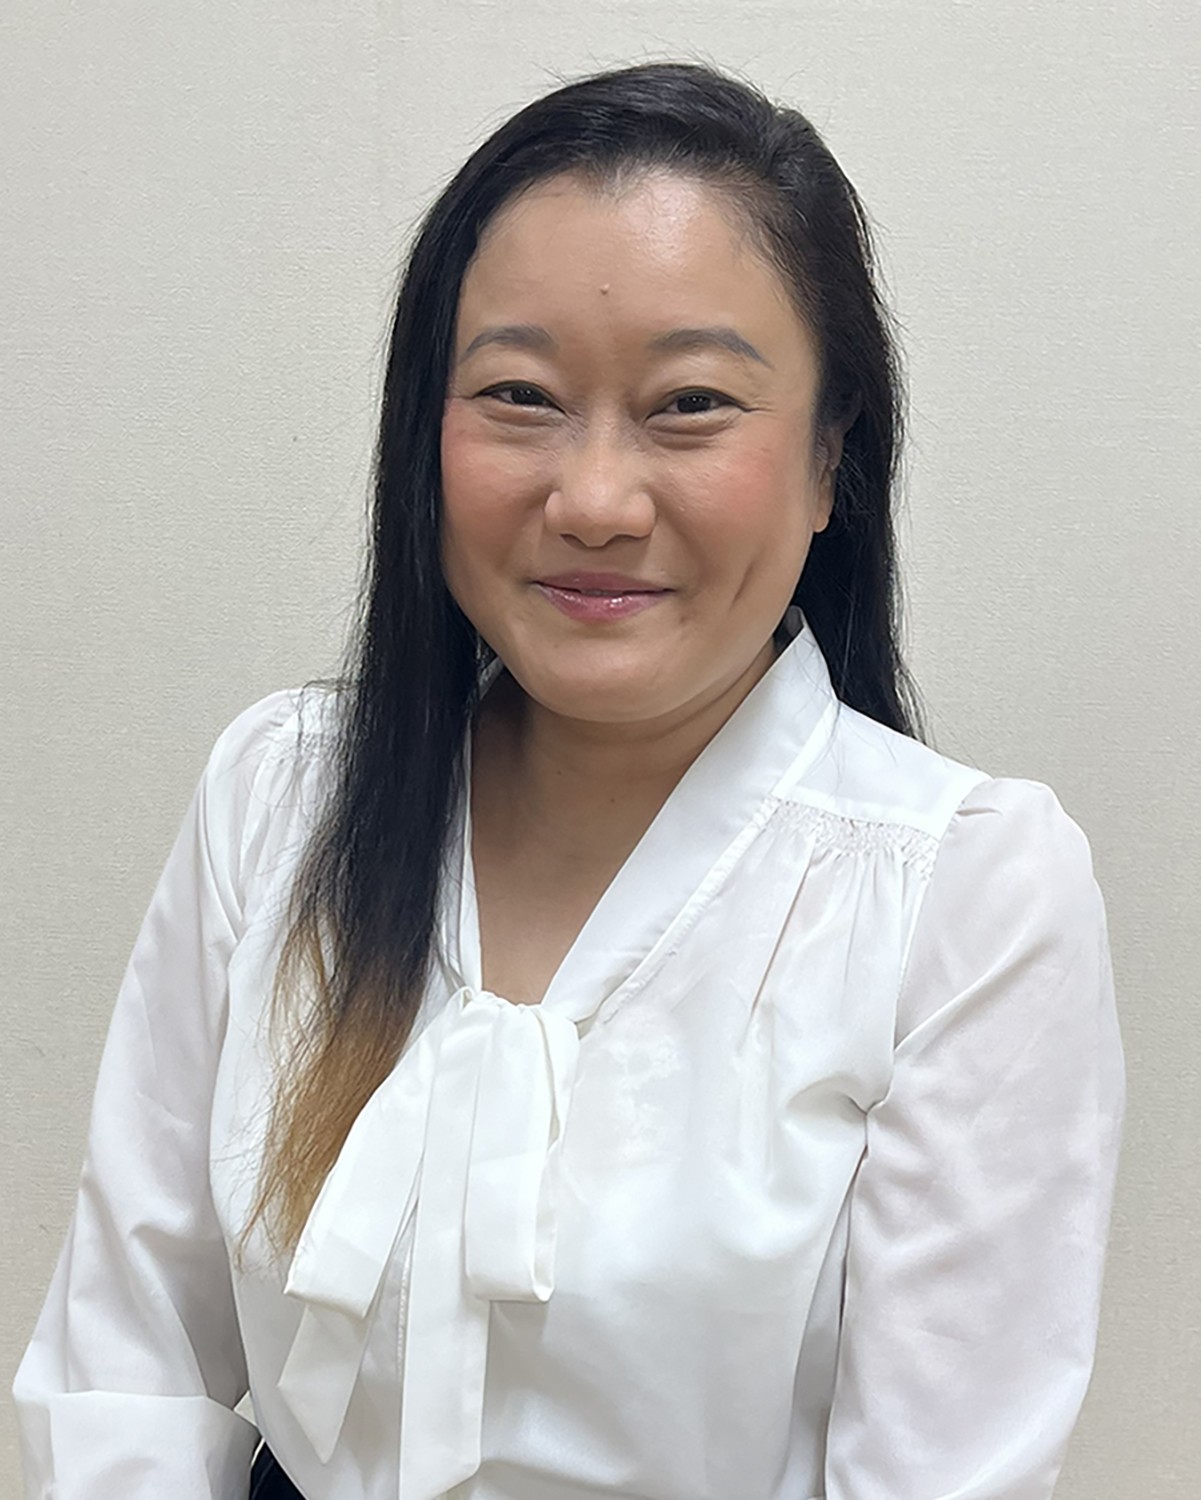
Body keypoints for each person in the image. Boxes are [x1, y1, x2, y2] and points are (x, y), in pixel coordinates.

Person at [12, 59, 1126, 1500]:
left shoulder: (965, 897)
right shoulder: (282, 797)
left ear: (828, 458)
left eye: (691, 403)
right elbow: (127, 1366)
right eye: (519, 396)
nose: (594, 500)